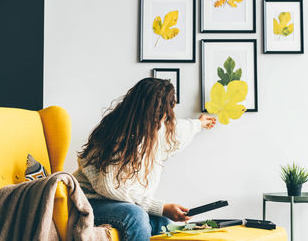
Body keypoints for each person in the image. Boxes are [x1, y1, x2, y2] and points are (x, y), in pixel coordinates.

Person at [73, 78, 216, 241]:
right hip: (89, 202)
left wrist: (199, 123)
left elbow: (178, 130)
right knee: (136, 216)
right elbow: (110, 187)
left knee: (164, 224)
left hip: (122, 203)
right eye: (163, 114)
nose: (164, 120)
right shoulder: (118, 136)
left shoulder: (156, 130)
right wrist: (160, 207)